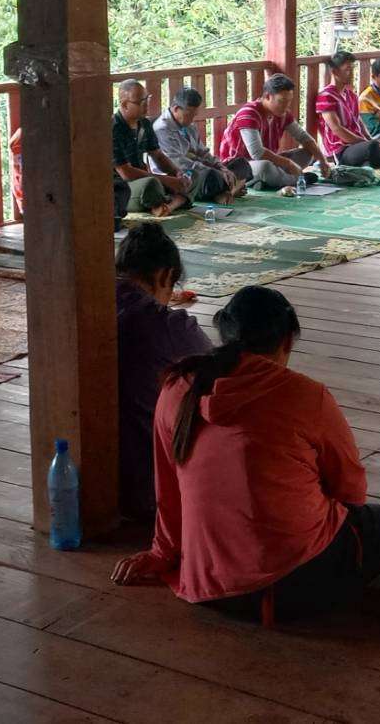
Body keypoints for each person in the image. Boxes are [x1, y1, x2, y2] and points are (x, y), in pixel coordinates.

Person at [110, 286, 380, 635]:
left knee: (344, 534)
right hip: (292, 590)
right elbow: (351, 493)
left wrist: (162, 552)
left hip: (210, 589)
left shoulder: (178, 386)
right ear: (286, 341)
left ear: (226, 335)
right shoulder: (304, 395)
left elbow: (168, 485)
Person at [114, 223, 212, 521]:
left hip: (83, 476)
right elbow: (219, 372)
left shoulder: (82, 306)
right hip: (146, 487)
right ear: (164, 276)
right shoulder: (169, 326)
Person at [218, 73, 334, 190]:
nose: (286, 106)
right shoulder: (249, 113)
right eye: (282, 101)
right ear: (267, 96)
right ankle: (298, 179)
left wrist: (323, 161)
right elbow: (257, 153)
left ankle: (267, 181)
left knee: (307, 153)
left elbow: (304, 137)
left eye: (289, 101)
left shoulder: (282, 114)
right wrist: (288, 163)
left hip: (266, 163)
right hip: (239, 168)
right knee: (264, 167)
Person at [154, 87, 247, 204]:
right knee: (211, 176)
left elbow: (203, 152)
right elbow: (178, 163)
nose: (192, 119)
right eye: (189, 115)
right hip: (182, 175)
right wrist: (213, 170)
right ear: (176, 109)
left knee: (241, 164)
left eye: (194, 115)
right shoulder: (162, 129)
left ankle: (227, 190)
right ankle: (231, 189)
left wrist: (221, 167)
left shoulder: (189, 125)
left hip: (200, 167)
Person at [315, 51, 380, 168]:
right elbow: (337, 129)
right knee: (372, 146)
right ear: (335, 72)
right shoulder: (326, 96)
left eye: (352, 69)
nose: (351, 73)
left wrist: (370, 139)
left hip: (360, 144)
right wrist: (368, 142)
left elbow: (359, 122)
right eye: (347, 70)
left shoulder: (351, 95)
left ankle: (378, 159)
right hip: (342, 150)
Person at [114, 80, 193, 217]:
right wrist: (167, 181)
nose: (146, 105)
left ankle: (169, 205)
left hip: (143, 178)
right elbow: (126, 173)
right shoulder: (113, 128)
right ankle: (175, 201)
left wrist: (176, 173)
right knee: (151, 184)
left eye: (147, 99)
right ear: (125, 104)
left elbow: (158, 155)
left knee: (189, 178)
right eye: (141, 102)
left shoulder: (144, 124)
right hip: (122, 187)